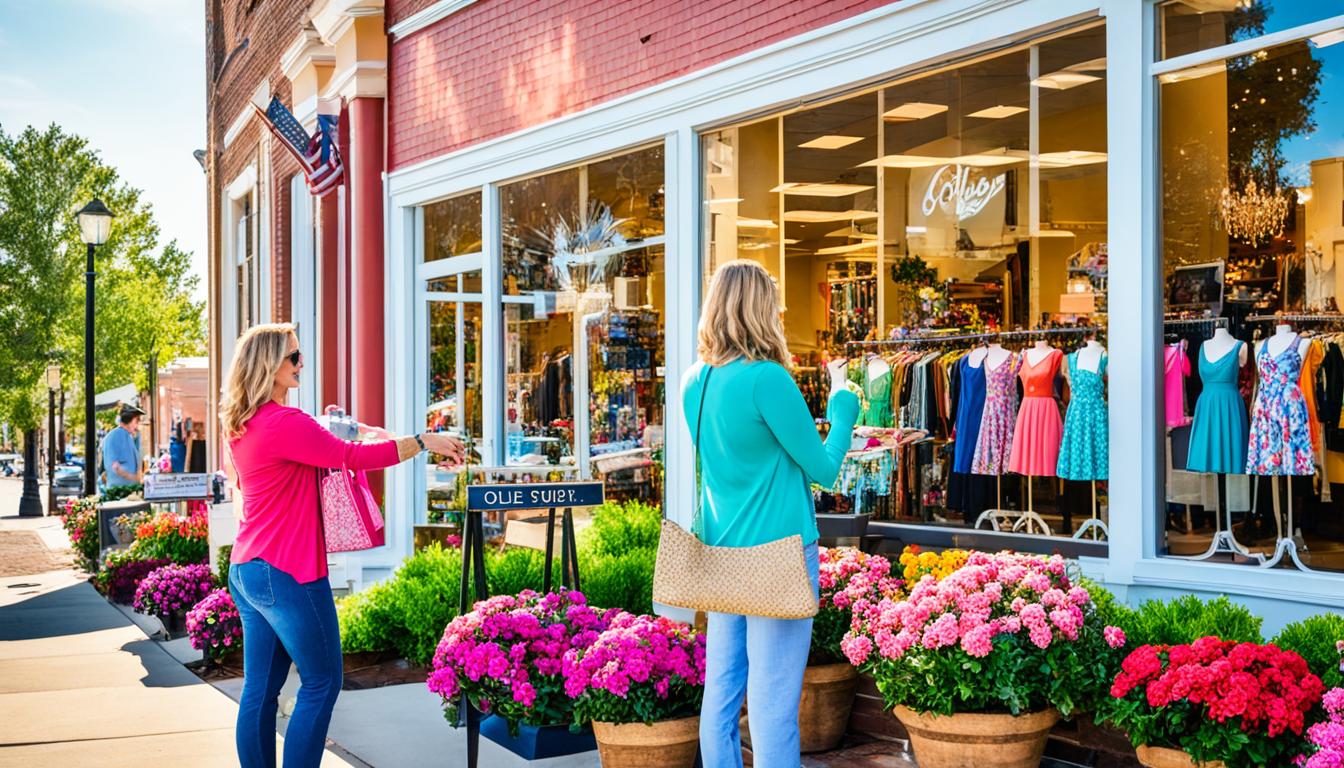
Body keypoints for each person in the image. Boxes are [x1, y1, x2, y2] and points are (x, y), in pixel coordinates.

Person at [220, 323, 464, 768]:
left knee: (259, 690)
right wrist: (424, 441)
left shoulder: (243, 423)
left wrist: (370, 430)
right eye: (293, 357)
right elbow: (351, 457)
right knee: (321, 683)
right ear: (268, 365)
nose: (302, 363)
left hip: (247, 569)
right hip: (288, 571)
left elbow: (336, 434)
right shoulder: (284, 423)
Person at [681, 260, 858, 768]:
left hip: (721, 552)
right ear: (762, 309)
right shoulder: (768, 380)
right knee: (773, 701)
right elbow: (824, 468)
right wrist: (843, 405)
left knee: (720, 692)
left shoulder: (696, 381)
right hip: (777, 553)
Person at [101, 403, 145, 488]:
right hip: (119, 491)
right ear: (130, 420)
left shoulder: (128, 436)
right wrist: (135, 478)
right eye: (137, 421)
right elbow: (114, 467)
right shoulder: (116, 435)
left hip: (129, 490)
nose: (137, 425)